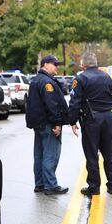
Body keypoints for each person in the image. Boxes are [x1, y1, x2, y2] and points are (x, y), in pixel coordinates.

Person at [68, 52, 112, 196]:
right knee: (109, 152)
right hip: (108, 117)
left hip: (91, 119)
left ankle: (94, 186)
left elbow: (75, 101)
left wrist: (72, 120)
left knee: (92, 154)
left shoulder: (81, 78)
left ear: (83, 65)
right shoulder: (107, 77)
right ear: (95, 63)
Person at [26, 55, 70, 195]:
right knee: (51, 154)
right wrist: (57, 122)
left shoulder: (36, 80)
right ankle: (50, 185)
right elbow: (51, 105)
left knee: (39, 155)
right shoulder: (47, 82)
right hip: (48, 123)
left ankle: (40, 184)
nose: (57, 67)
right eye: (54, 64)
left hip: (38, 124)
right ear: (45, 65)